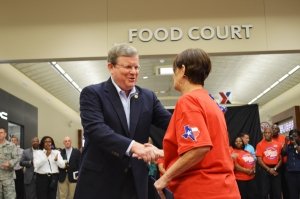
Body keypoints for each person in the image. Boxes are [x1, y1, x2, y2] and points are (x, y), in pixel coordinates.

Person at [74, 43, 171, 199]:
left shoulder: (148, 97)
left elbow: (171, 124)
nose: (133, 72)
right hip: (100, 182)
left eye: (136, 67)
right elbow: (96, 130)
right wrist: (133, 146)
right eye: (128, 67)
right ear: (111, 67)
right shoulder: (93, 94)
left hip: (135, 182)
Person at [154, 48, 240, 199]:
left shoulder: (188, 100)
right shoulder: (211, 102)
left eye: (174, 71)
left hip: (199, 189)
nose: (174, 76)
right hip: (224, 188)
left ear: (182, 70)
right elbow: (209, 147)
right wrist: (161, 153)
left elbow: (199, 148)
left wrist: (164, 179)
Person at [256, 127, 282, 199]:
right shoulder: (259, 144)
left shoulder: (278, 144)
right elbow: (259, 160)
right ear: (263, 134)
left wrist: (275, 169)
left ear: (272, 133)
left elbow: (281, 159)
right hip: (264, 169)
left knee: (277, 192)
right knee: (265, 192)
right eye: (265, 133)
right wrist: (268, 169)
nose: (267, 134)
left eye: (269, 133)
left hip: (276, 169)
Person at [0, 127, 19, 199]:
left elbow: (16, 158)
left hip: (8, 179)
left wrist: (10, 163)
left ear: (5, 134)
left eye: (1, 133)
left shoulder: (11, 145)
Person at [282, 129, 300, 199]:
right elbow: (283, 153)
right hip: (290, 174)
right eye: (292, 136)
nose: (293, 138)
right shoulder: (288, 146)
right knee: (293, 194)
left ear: (299, 137)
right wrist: (286, 142)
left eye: (295, 136)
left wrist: (295, 144)